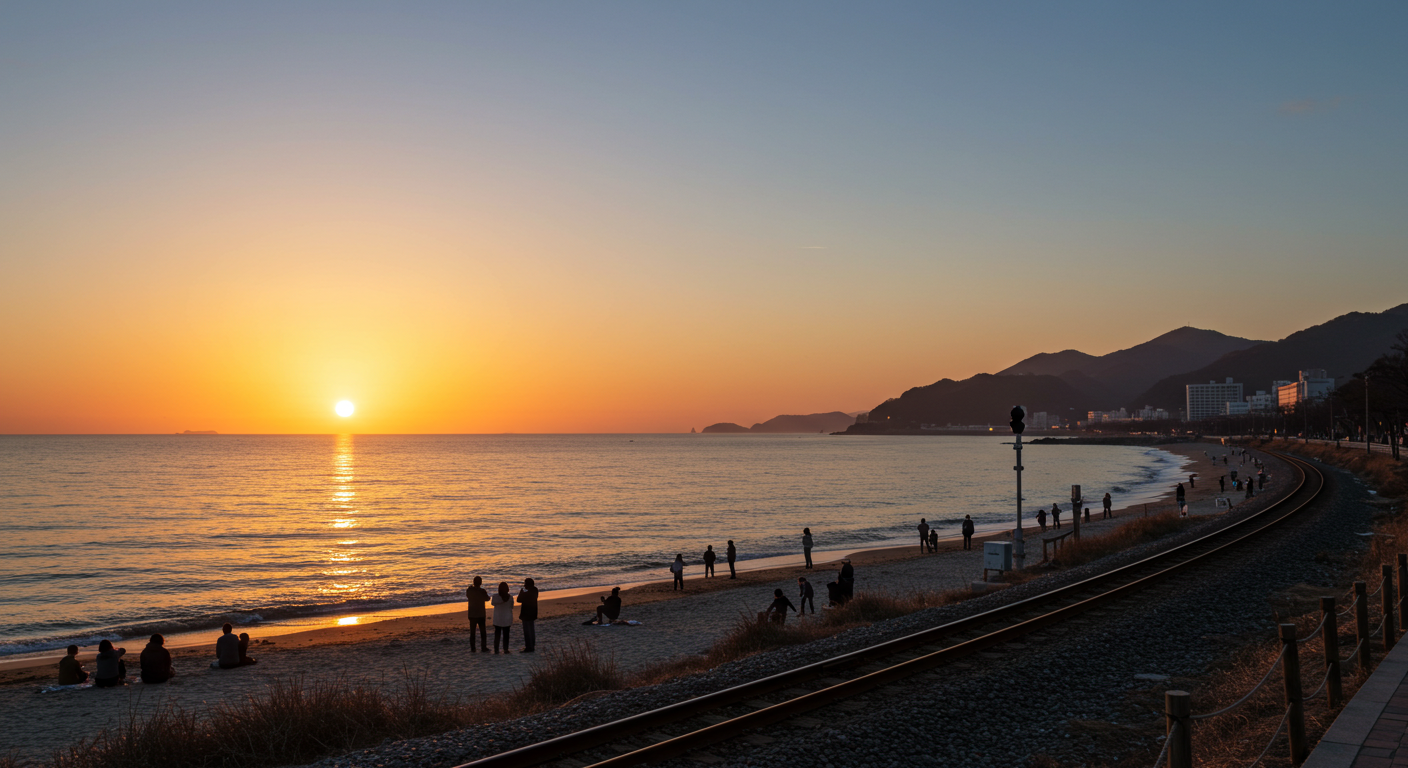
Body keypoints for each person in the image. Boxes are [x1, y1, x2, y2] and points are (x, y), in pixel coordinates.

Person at [466, 576, 490, 653]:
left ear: (473, 582)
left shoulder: (469, 590)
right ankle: (483, 647)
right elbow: (487, 598)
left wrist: (470, 588)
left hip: (472, 613)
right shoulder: (482, 591)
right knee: (483, 632)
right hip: (481, 613)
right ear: (481, 583)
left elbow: (467, 596)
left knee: (472, 632)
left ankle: (473, 648)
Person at [491, 581, 514, 654]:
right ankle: (506, 649)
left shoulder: (495, 597)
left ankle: (496, 649)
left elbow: (492, 603)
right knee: (506, 635)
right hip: (507, 618)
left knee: (497, 635)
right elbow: (512, 607)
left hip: (498, 618)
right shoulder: (510, 597)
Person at [517, 578, 539, 653]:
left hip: (526, 613)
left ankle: (529, 647)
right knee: (531, 630)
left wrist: (521, 592)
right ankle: (532, 645)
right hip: (533, 612)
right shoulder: (535, 590)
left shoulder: (526, 592)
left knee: (527, 631)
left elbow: (519, 599)